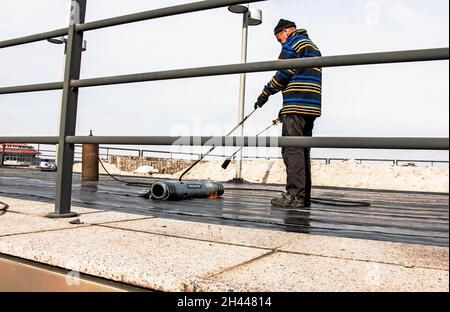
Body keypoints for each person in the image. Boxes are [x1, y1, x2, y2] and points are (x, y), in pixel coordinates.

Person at [255, 19, 322, 208]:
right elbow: (300, 77)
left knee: (291, 150)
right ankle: (303, 195)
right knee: (302, 150)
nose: (280, 42)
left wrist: (265, 93)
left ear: (285, 31)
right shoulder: (312, 45)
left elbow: (283, 74)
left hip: (297, 106)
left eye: (279, 39)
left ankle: (294, 196)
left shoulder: (292, 42)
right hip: (310, 106)